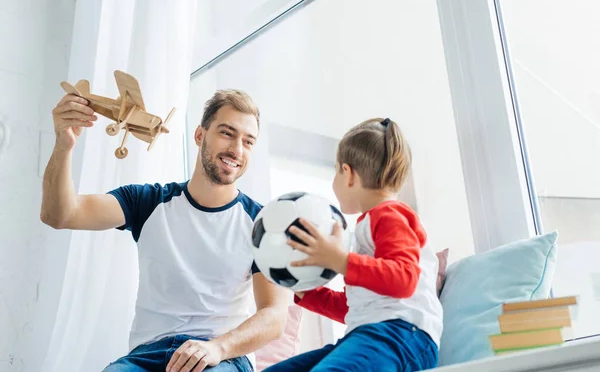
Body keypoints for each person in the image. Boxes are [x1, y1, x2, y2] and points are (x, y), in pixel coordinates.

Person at [41, 89, 289, 372]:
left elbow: (275, 315)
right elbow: (60, 214)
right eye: (227, 133)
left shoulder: (264, 224)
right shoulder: (148, 203)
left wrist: (217, 348)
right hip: (148, 356)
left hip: (222, 357)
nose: (237, 149)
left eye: (248, 141)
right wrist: (64, 143)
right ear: (199, 135)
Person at [264, 117, 443, 372]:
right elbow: (353, 308)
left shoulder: (391, 215)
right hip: (368, 333)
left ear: (347, 174)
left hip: (403, 336)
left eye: (335, 171)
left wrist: (339, 260)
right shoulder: (367, 225)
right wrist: (307, 294)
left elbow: (404, 279)